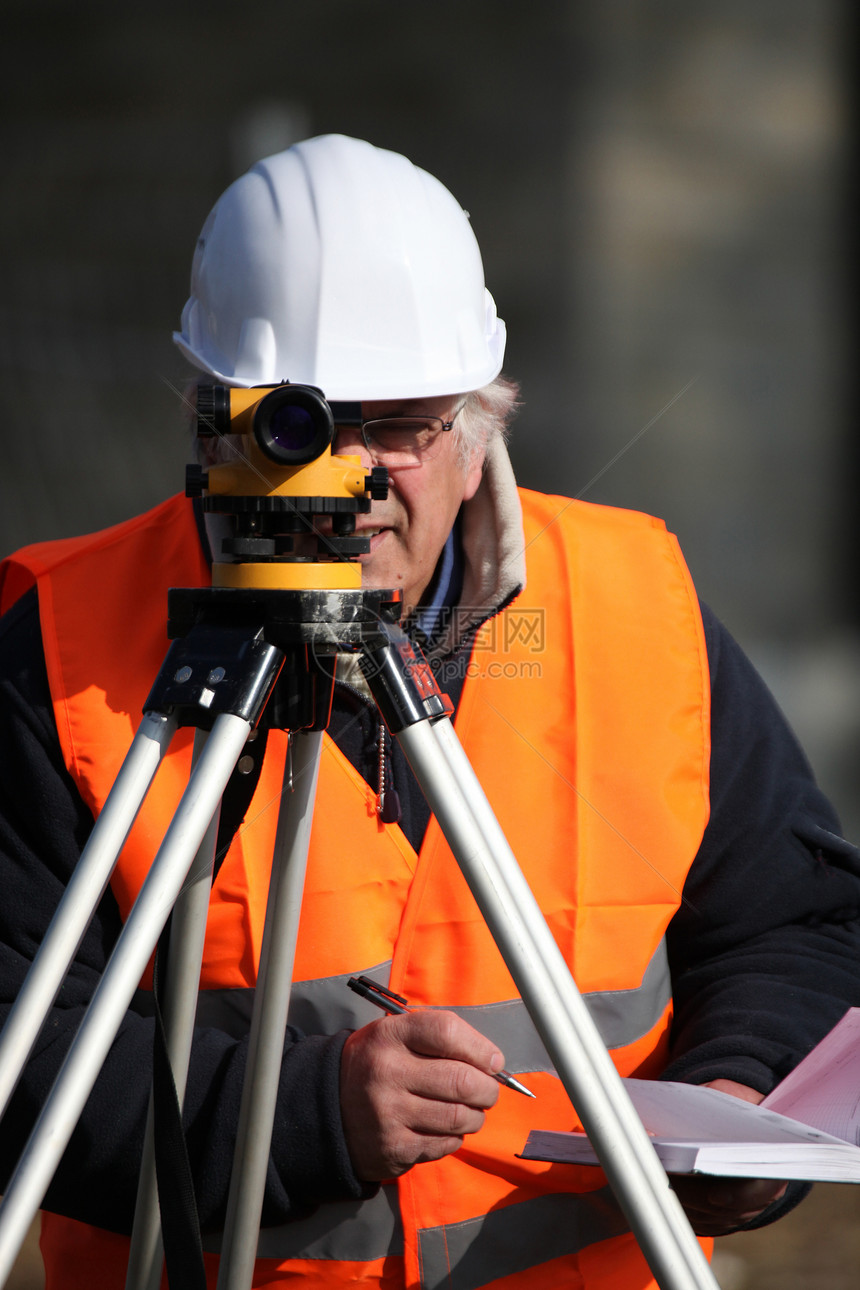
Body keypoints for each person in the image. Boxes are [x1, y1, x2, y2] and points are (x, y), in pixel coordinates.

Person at [1, 133, 859, 1290]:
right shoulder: (58, 648)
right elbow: (15, 1053)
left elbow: (794, 924)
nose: (347, 475)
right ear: (208, 425)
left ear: (476, 425)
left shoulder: (631, 605)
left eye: (397, 423)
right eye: (297, 424)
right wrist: (306, 1115)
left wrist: (742, 1096)